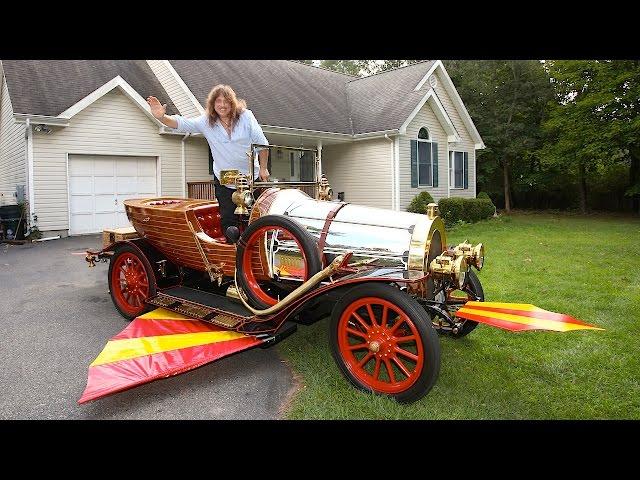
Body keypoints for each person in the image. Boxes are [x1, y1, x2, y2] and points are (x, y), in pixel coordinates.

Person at [146, 84, 270, 241]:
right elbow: (182, 124)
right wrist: (162, 117)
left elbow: (262, 144)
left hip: (250, 179)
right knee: (228, 219)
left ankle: (256, 250)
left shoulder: (246, 116)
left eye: (226, 101)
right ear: (213, 104)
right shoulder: (206, 121)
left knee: (255, 217)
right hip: (224, 180)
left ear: (233, 103)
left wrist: (264, 168)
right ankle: (233, 254)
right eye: (218, 101)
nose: (222, 105)